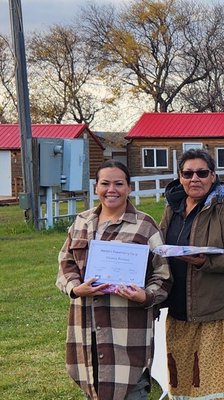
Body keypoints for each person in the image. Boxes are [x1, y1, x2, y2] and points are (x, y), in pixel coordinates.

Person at [56, 160, 172, 400]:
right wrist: (76, 289)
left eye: (119, 183)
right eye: (105, 183)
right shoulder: (81, 222)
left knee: (131, 389)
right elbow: (65, 265)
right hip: (86, 332)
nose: (112, 189)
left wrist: (146, 296)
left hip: (126, 334)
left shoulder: (145, 226)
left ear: (129, 188)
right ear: (96, 187)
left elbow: (163, 276)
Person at [159, 149, 224, 399]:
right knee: (185, 387)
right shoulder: (173, 209)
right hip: (179, 313)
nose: (195, 179)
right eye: (188, 173)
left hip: (216, 313)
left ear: (213, 176)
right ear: (180, 177)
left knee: (220, 390)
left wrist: (205, 263)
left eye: (202, 173)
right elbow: (159, 248)